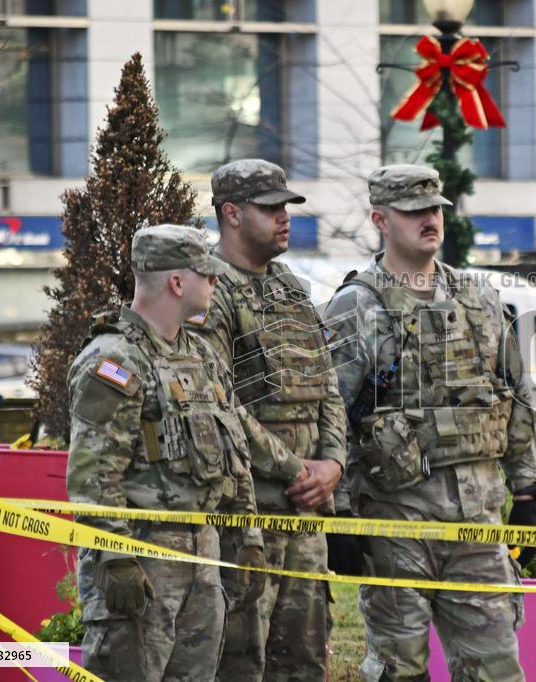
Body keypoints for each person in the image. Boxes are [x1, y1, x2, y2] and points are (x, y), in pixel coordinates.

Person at [323, 164, 536, 681]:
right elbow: (328, 411)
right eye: (413, 211)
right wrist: (339, 514)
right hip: (396, 526)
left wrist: (527, 493)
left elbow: (514, 394)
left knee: (497, 669)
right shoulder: (357, 306)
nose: (429, 220)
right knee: (400, 672)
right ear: (381, 218)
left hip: (478, 528)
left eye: (435, 210)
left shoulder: (480, 298)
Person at [67, 224, 273, 681]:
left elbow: (233, 451)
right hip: (143, 560)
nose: (215, 283)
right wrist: (113, 557)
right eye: (208, 275)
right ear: (177, 283)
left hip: (204, 556)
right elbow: (94, 472)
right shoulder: (115, 359)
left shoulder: (200, 354)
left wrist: (249, 537)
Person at [190, 159, 347, 681]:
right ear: (231, 214)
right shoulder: (209, 293)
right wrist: (293, 469)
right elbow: (216, 402)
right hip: (248, 514)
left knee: (304, 662)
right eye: (271, 207)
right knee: (242, 662)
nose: (284, 217)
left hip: (306, 516)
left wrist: (334, 464)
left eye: (286, 207)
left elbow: (328, 386)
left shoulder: (292, 290)